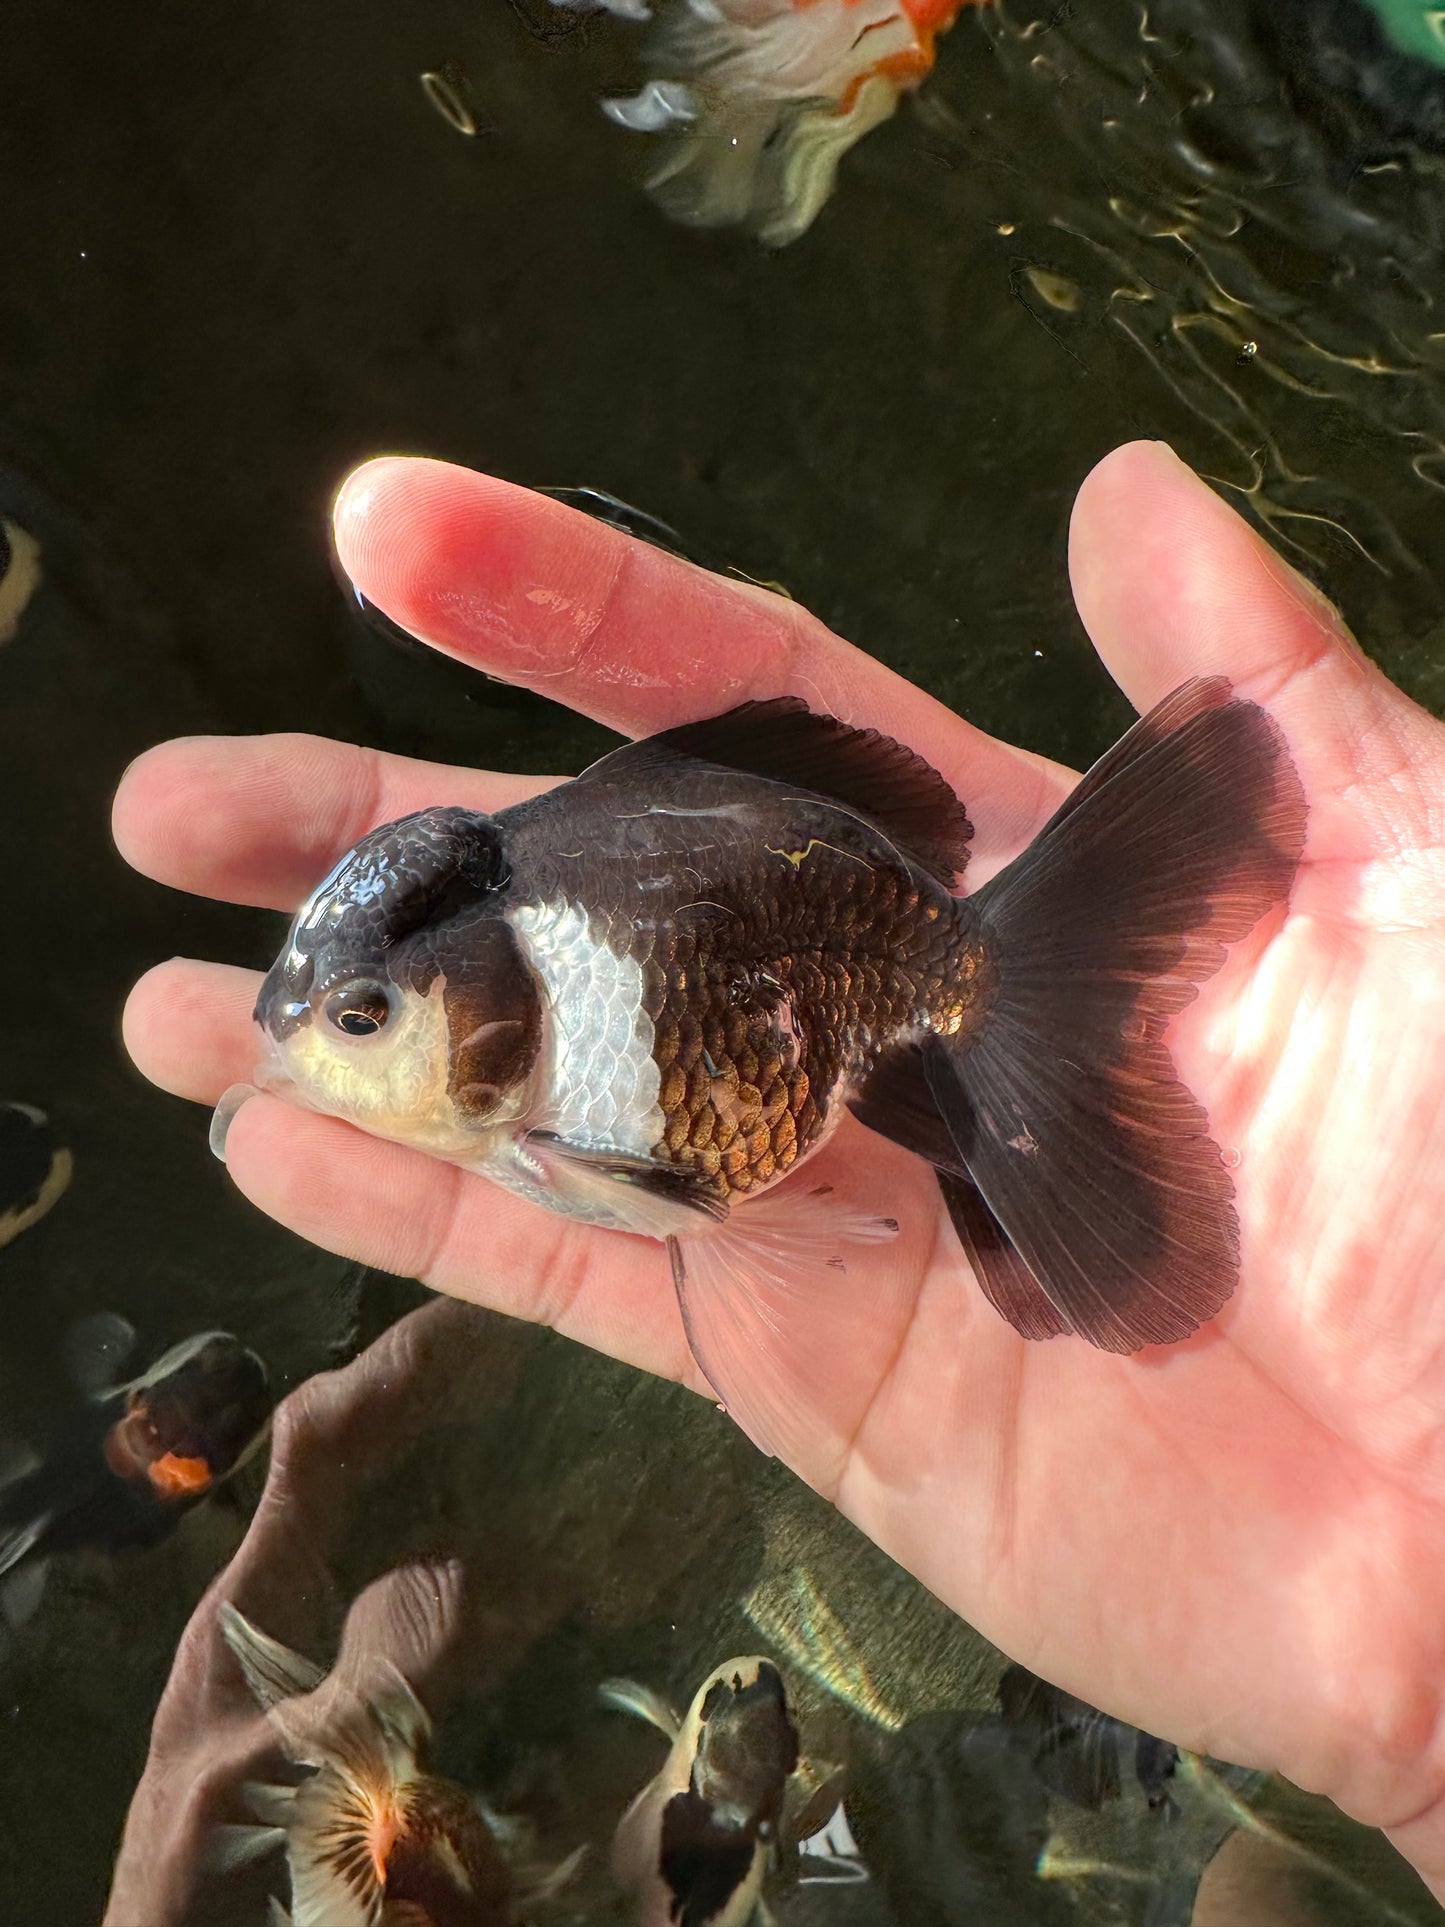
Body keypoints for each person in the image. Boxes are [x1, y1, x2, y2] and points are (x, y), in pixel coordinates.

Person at [113, 441, 1445, 1899]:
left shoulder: (556, 1112)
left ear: (475, 1022)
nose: (323, 1053)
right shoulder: (533, 1071)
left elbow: (703, 1214)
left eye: (364, 1023)